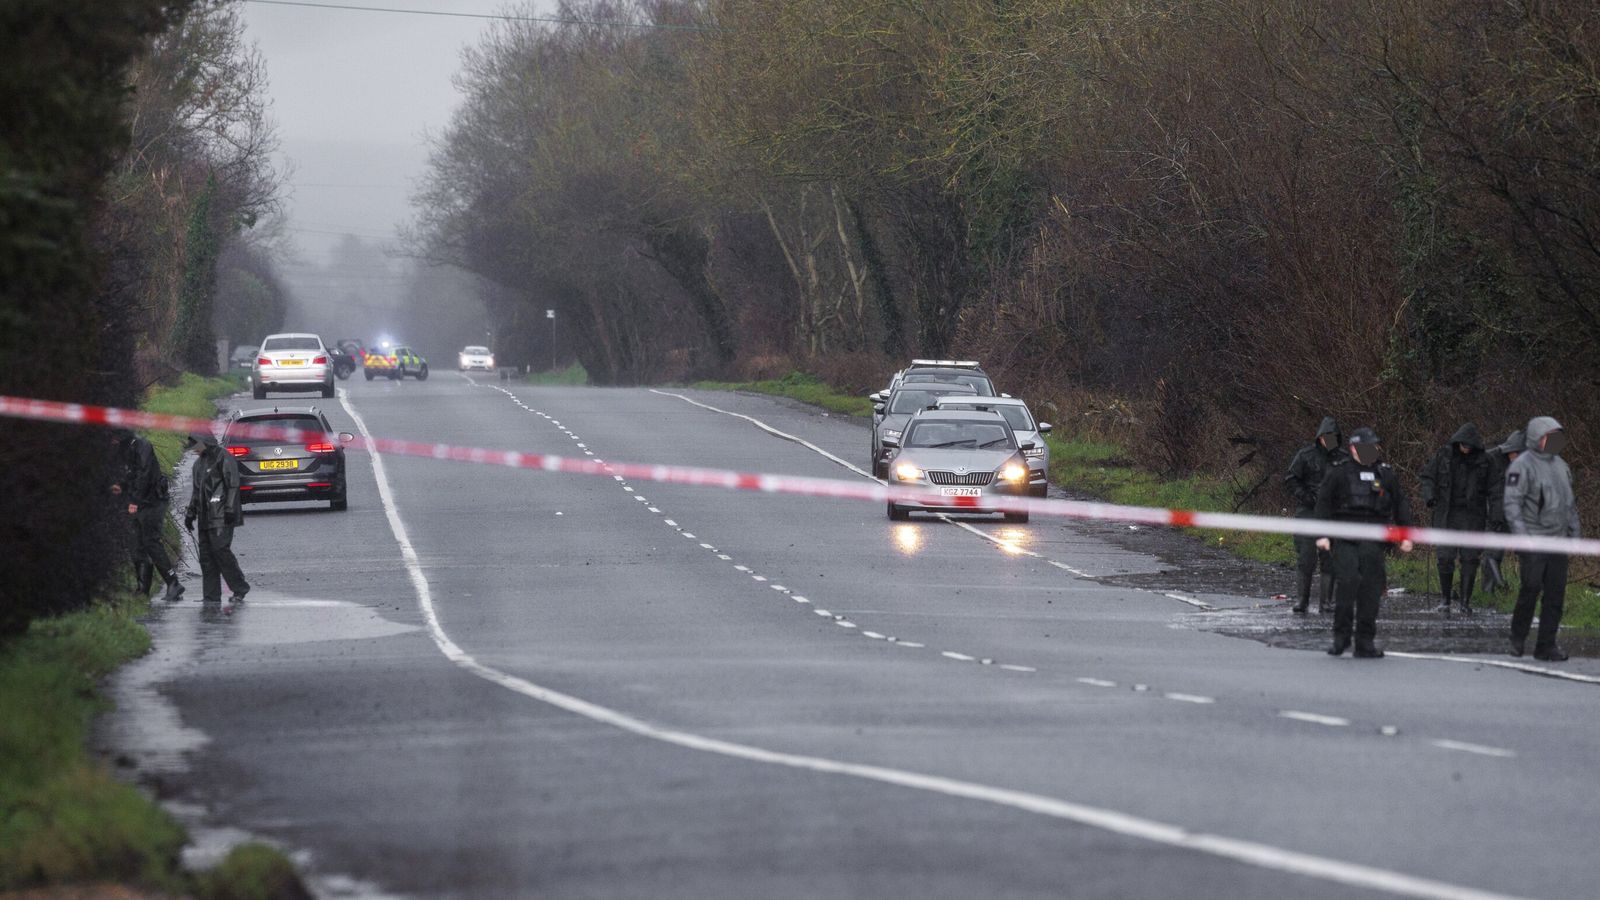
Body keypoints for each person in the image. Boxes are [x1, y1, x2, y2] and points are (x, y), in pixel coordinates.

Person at [1315, 427, 1414, 658]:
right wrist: (1321, 535)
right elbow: (1323, 503)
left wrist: (1406, 534)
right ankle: (1341, 638)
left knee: (1371, 590)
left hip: (1373, 540)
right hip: (1346, 539)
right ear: (1353, 449)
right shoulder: (1339, 473)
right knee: (1347, 585)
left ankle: (1365, 642)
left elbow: (1400, 504)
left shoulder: (1385, 473)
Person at [1502, 417, 1579, 661]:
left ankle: (1546, 645)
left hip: (1557, 542)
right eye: (1549, 435)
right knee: (1530, 588)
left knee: (1555, 595)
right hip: (1533, 541)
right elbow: (1512, 503)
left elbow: (1570, 505)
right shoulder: (1522, 466)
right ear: (1537, 437)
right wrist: (1522, 536)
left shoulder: (1561, 466)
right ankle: (1517, 639)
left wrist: (1574, 534)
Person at [1418, 423, 1492, 615]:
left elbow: (1495, 489)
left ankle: (1465, 602)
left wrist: (1495, 514)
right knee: (1444, 557)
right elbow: (1427, 477)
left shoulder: (1484, 461)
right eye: (1463, 444)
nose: (1466, 448)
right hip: (1446, 515)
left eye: (1470, 445)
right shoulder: (1443, 457)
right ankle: (1445, 600)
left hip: (1472, 517)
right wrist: (1429, 497)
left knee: (1469, 558)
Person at [111, 430, 183, 601]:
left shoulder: (141, 445)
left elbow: (145, 474)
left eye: (113, 438)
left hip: (152, 501)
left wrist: (135, 500)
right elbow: (129, 473)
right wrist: (120, 485)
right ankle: (143, 588)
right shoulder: (122, 449)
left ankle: (173, 582)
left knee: (151, 541)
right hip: (136, 501)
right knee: (136, 544)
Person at [1284, 417, 1345, 614]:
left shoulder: (1343, 458)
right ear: (1320, 437)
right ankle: (1302, 600)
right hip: (1308, 512)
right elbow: (1291, 479)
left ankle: (1326, 602)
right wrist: (1306, 496)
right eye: (1327, 437)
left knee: (1329, 558)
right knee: (1306, 557)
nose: (1329, 440)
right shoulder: (1306, 455)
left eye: (1333, 437)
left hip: (1332, 515)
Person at [183, 432, 249, 604]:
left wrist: (229, 509)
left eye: (196, 446)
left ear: (205, 442)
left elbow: (233, 484)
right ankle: (211, 596)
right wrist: (190, 514)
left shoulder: (224, 457)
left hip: (222, 515)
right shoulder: (198, 465)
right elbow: (197, 492)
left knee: (221, 550)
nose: (194, 450)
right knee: (206, 556)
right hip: (205, 516)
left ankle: (239, 588)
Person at [1482, 430, 1524, 593]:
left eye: (1516, 453)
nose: (1512, 455)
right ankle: (1490, 590)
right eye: (1511, 452)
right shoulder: (1492, 458)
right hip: (1495, 514)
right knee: (1492, 553)